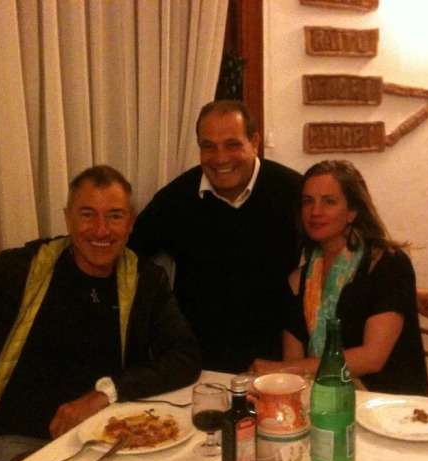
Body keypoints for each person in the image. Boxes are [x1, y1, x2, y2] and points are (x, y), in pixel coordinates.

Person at [0, 165, 201, 461]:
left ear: (131, 223)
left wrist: (105, 394)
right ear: (68, 219)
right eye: (87, 215)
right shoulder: (20, 269)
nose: (101, 230)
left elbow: (184, 357)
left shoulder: (146, 281)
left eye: (115, 216)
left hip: (104, 440)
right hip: (14, 441)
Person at [128, 100, 303, 374]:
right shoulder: (176, 199)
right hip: (197, 367)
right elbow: (128, 255)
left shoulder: (294, 192)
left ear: (254, 142)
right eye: (208, 146)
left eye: (232, 144)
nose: (220, 158)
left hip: (277, 367)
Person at [250, 159, 428, 396]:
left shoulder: (388, 264)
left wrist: (280, 370)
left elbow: (372, 358)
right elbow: (293, 361)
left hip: (389, 402)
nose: (315, 212)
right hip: (323, 397)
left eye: (329, 201)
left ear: (352, 211)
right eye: (308, 201)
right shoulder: (298, 280)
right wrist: (279, 378)